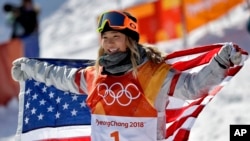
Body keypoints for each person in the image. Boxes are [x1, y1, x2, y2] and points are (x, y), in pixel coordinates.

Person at [11, 10, 243, 141]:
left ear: (129, 40)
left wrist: (220, 62)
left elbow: (193, 88)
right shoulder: (94, 75)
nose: (110, 44)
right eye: (106, 38)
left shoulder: (152, 74)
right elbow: (60, 77)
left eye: (116, 37)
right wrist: (30, 68)